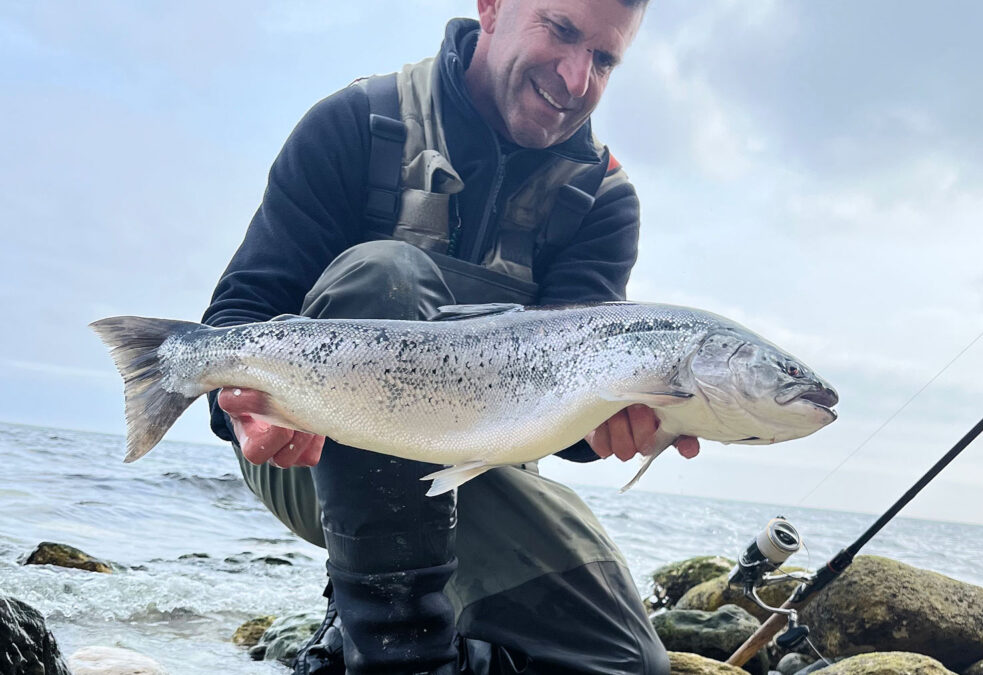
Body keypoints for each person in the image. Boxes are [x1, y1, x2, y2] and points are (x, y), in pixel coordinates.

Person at [202, 0, 699, 672]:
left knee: (631, 663)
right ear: (491, 7)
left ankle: (377, 642)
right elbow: (240, 310)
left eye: (605, 59)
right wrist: (239, 409)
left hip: (477, 469)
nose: (578, 78)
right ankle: (401, 654)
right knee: (385, 273)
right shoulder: (355, 124)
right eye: (561, 31)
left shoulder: (602, 200)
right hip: (318, 449)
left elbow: (571, 426)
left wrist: (624, 421)